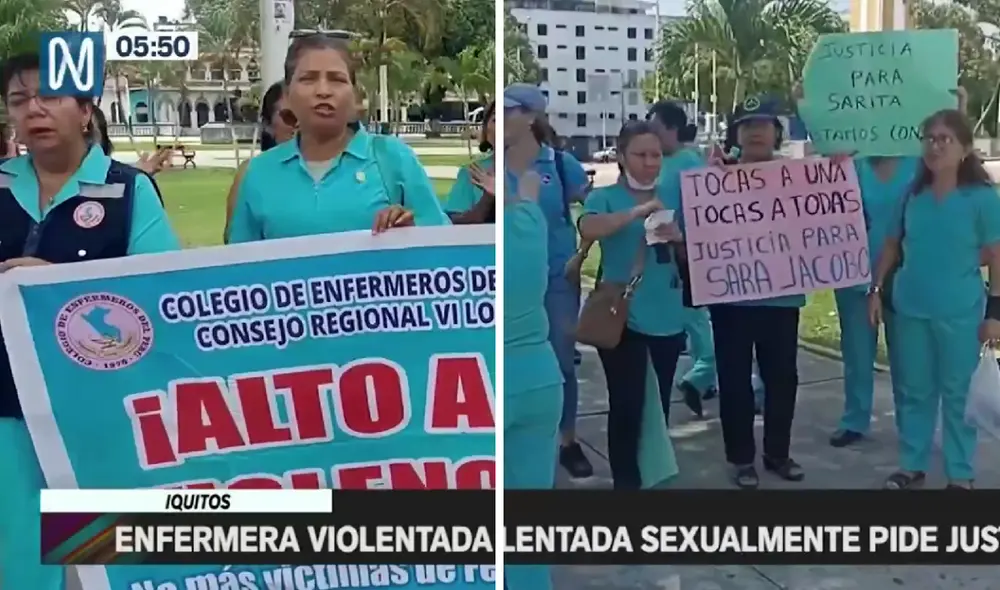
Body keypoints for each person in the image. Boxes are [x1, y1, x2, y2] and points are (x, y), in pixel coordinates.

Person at [0, 52, 180, 590]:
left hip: (102, 404)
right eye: (18, 99)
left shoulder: (130, 191)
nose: (33, 110)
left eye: (49, 96)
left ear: (85, 110)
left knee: (112, 556)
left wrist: (58, 285)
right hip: (8, 404)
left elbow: (160, 295)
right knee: (19, 548)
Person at [869, 109, 1000, 490]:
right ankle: (912, 464)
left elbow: (996, 255)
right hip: (911, 308)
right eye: (929, 138)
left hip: (960, 312)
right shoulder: (912, 194)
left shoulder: (981, 198)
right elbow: (892, 245)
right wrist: (875, 290)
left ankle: (960, 473)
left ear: (964, 149)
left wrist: (995, 311)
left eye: (945, 138)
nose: (935, 145)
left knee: (958, 393)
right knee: (914, 389)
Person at [227, 34, 449, 243]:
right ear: (288, 94)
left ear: (354, 93)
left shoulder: (393, 158)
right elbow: (240, 269)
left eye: (337, 79)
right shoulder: (259, 173)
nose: (323, 91)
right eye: (308, 79)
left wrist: (411, 232)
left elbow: (444, 247)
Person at [577, 121, 686, 489]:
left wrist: (679, 239)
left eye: (656, 154)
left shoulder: (676, 195)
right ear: (621, 156)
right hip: (622, 318)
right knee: (627, 407)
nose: (650, 162)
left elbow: (699, 254)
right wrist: (637, 213)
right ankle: (627, 482)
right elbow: (589, 229)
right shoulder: (605, 196)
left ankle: (653, 474)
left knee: (659, 408)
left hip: (668, 315)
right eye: (640, 154)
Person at [709, 96, 804, 489]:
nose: (756, 132)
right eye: (748, 125)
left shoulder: (798, 179)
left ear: (777, 133)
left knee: (783, 379)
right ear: (736, 135)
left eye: (764, 125)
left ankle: (778, 453)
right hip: (732, 301)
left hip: (782, 300)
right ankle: (741, 458)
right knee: (734, 383)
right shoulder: (713, 181)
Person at [504, 83, 594, 479]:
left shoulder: (559, 164)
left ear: (532, 118)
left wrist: (582, 254)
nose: (502, 120)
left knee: (560, 363)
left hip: (557, 280)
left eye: (511, 112)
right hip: (506, 286)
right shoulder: (488, 168)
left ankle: (567, 440)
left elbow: (593, 209)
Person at [504, 169, 561, 590]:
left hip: (485, 384)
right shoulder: (530, 227)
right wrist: (522, 196)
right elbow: (528, 199)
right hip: (541, 377)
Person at [647, 101, 713, 417]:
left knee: (696, 321)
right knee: (692, 322)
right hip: (662, 259)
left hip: (687, 256)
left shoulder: (689, 162)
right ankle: (702, 377)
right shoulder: (661, 162)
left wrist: (685, 244)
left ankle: (702, 376)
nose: (652, 132)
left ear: (672, 129)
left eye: (656, 126)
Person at [223, 82, 297, 241]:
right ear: (268, 124)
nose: (297, 124)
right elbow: (234, 241)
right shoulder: (250, 173)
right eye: (288, 116)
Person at [445, 101, 495, 223]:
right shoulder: (472, 171)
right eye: (495, 119)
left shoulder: (540, 171)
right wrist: (488, 199)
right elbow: (454, 223)